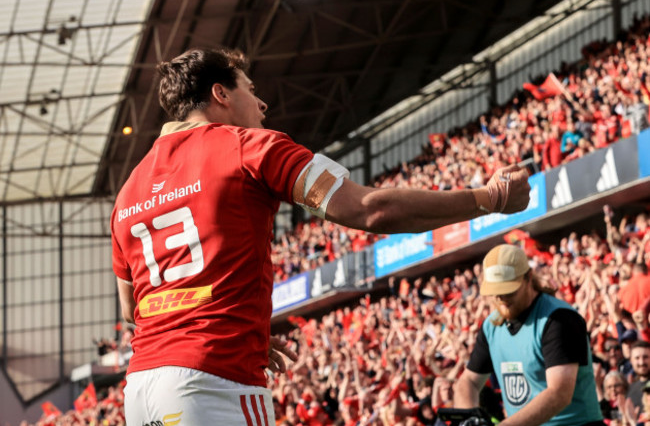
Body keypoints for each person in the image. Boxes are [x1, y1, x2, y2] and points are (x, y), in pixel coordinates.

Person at [110, 47, 530, 425]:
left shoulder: (128, 190)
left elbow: (132, 309)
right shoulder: (251, 147)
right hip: (213, 381)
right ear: (220, 94)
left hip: (143, 388)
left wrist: (240, 325)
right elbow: (371, 209)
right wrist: (487, 198)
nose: (261, 103)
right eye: (250, 90)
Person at [453, 244, 604, 426]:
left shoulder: (558, 319)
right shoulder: (491, 326)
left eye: (509, 291)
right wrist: (469, 419)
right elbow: (468, 381)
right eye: (495, 292)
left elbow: (559, 393)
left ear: (528, 278)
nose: (501, 298)